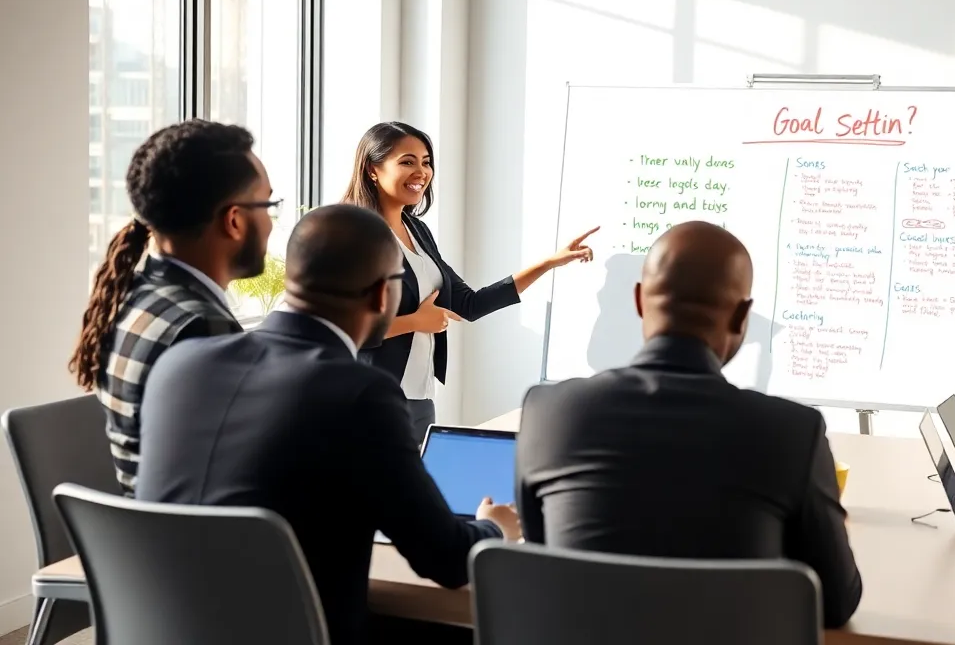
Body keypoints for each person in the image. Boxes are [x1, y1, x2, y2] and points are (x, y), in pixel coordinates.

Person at [136, 204, 519, 645]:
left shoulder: (180, 364)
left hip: (169, 628)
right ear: (382, 295)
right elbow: (446, 560)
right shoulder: (360, 394)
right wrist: (495, 527)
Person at [515, 221, 863, 629]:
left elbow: (545, 564)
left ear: (641, 302)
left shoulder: (546, 412)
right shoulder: (792, 432)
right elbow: (836, 603)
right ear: (742, 316)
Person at [341, 121, 598, 441]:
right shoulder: (354, 233)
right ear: (372, 170)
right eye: (407, 161)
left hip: (420, 398)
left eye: (426, 162)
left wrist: (549, 263)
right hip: (371, 396)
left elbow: (469, 304)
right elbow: (346, 328)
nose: (421, 171)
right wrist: (415, 321)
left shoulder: (417, 231)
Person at [69, 119, 275, 495]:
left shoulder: (132, 293)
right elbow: (241, 479)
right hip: (186, 546)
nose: (271, 222)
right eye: (267, 204)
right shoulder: (203, 327)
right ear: (234, 220)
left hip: (140, 540)